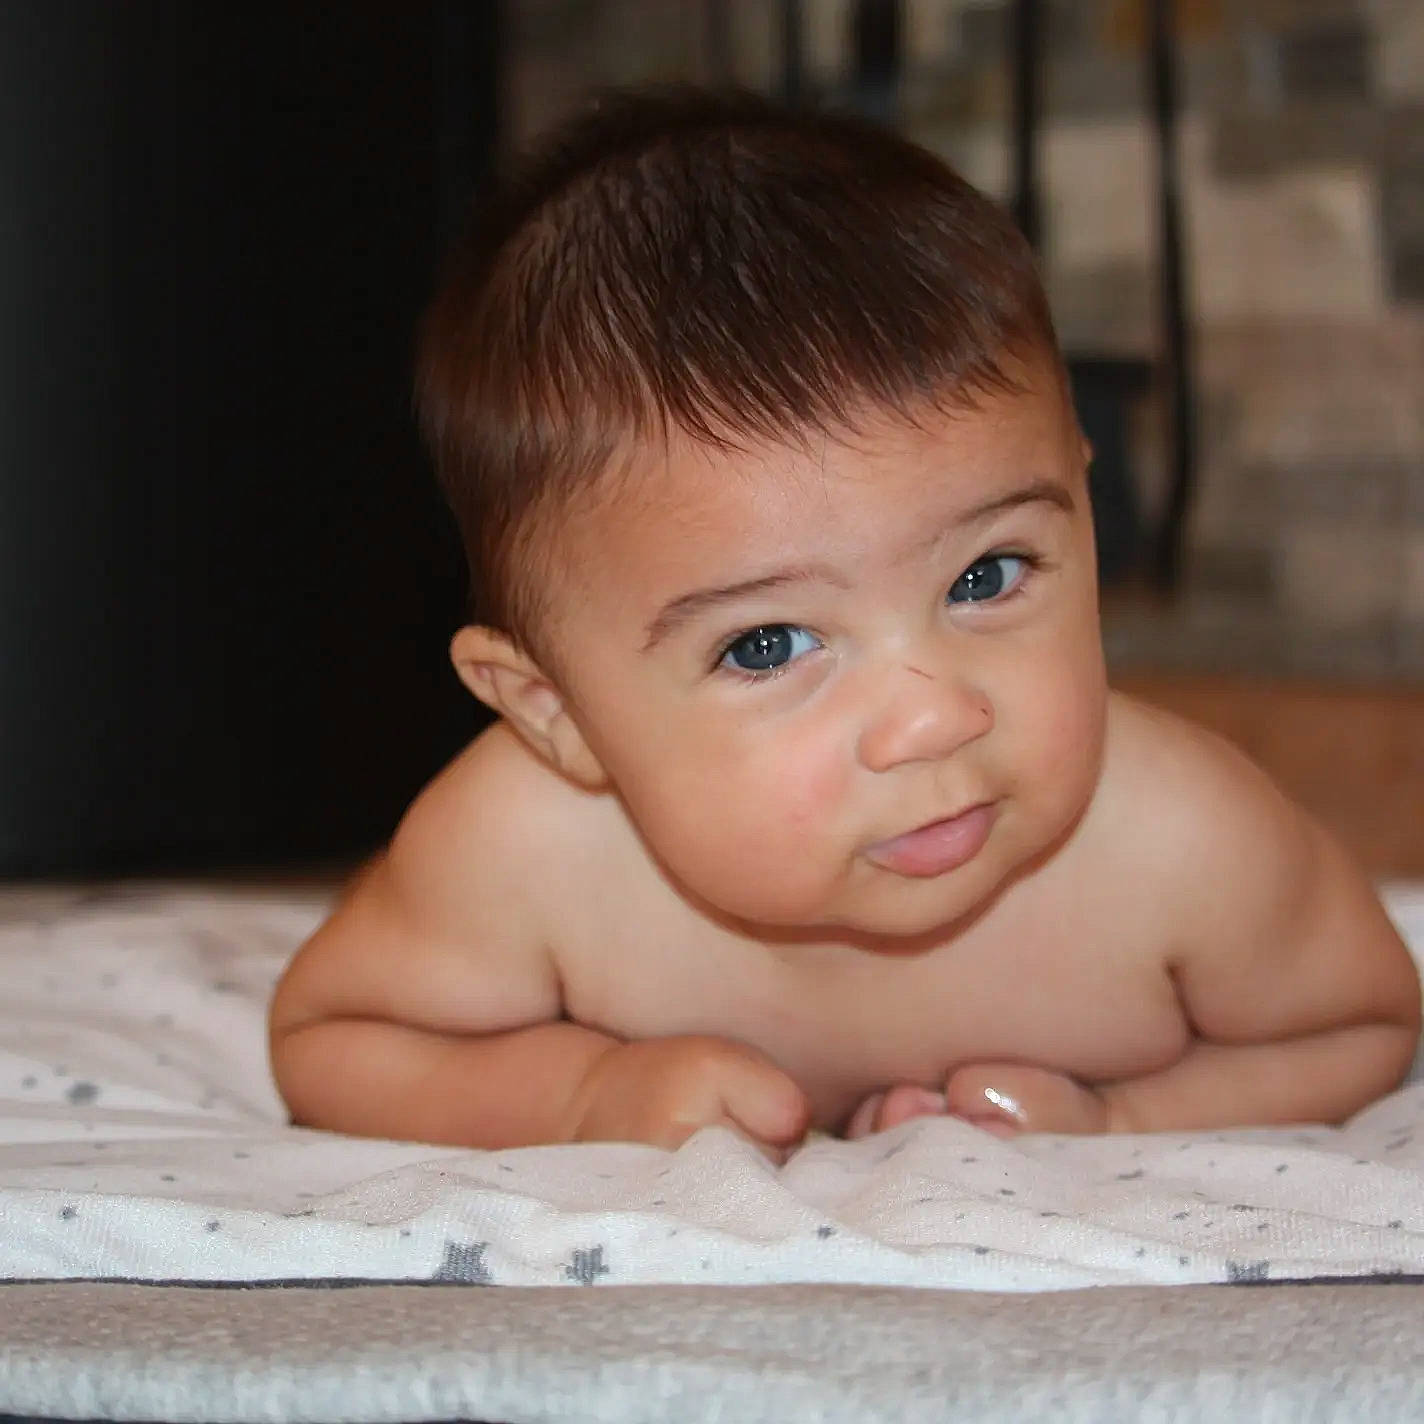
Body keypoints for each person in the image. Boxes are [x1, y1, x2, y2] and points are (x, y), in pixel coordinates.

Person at [268, 88, 1420, 1157]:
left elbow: (1360, 1022)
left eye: (986, 573)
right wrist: (580, 1095)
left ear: (1077, 498)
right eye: (767, 643)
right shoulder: (529, 851)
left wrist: (1122, 1114)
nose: (929, 716)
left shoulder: (1178, 839)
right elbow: (334, 1039)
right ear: (554, 712)